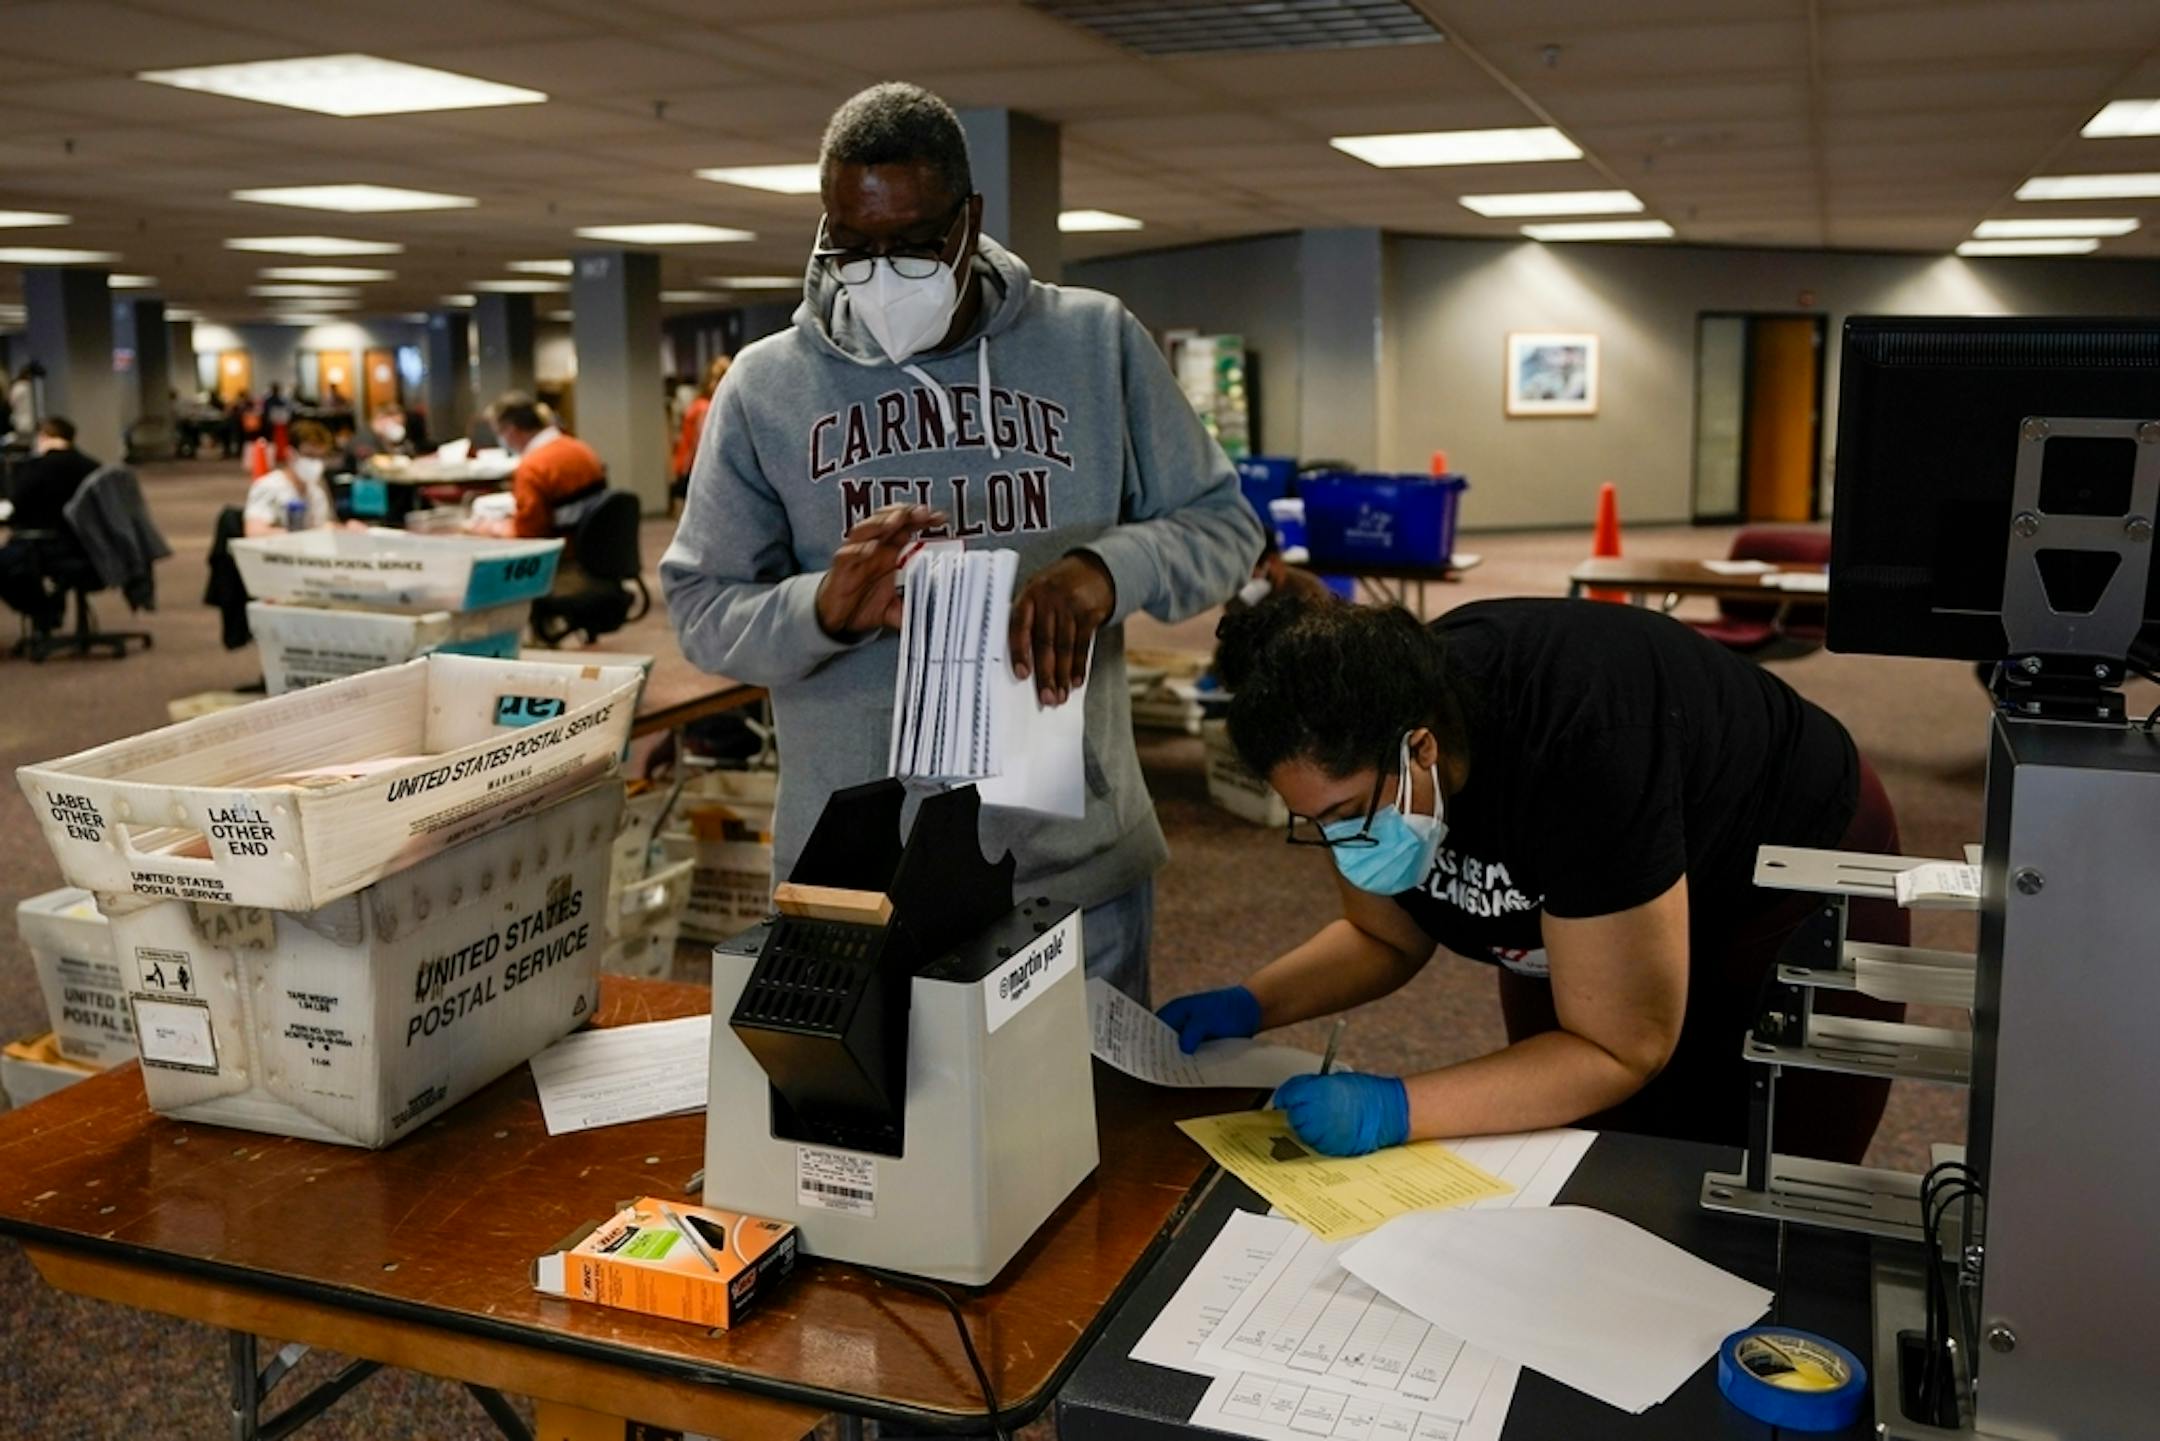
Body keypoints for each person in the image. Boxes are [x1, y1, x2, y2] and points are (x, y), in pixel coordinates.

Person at [661, 82, 1264, 1002]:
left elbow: (1225, 528)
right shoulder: (766, 386)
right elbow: (704, 609)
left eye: (910, 245)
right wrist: (821, 606)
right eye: (851, 247)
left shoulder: (1095, 342)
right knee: (877, 1135)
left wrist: (1105, 572)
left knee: (1086, 1122)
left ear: (968, 220)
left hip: (1068, 857)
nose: (879, 273)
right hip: (860, 863)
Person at [1157, 594, 1908, 1161]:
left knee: (1751, 1166)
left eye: (1347, 812)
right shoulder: (1350, 748)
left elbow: (1620, 1045)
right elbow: (1380, 934)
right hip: (1585, 893)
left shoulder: (1581, 745)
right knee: (1587, 1152)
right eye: (1315, 821)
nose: (1339, 841)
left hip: (1778, 874)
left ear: (1421, 750)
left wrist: (1398, 1108)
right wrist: (1253, 1002)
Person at [0, 416, 98, 626]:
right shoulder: (92, 466)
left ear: (44, 437)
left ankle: (42, 611)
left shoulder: (37, 468)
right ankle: (48, 607)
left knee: (6, 564)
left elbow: (16, 506)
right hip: (90, 546)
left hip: (48, 544)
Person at [468, 393, 606, 541]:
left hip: (563, 550)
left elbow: (527, 535)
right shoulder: (580, 448)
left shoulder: (532, 468)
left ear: (511, 430)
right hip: (595, 543)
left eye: (498, 432)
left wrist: (490, 528)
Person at [242, 418, 337, 535]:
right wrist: (297, 535)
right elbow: (254, 532)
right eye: (309, 456)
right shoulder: (269, 487)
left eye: (320, 457)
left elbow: (321, 527)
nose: (315, 463)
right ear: (291, 454)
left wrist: (346, 529)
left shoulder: (316, 493)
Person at [672, 354, 731, 498]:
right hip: (698, 468)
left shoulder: (706, 406)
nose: (713, 384)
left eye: (719, 378)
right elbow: (699, 444)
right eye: (713, 378)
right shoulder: (703, 408)